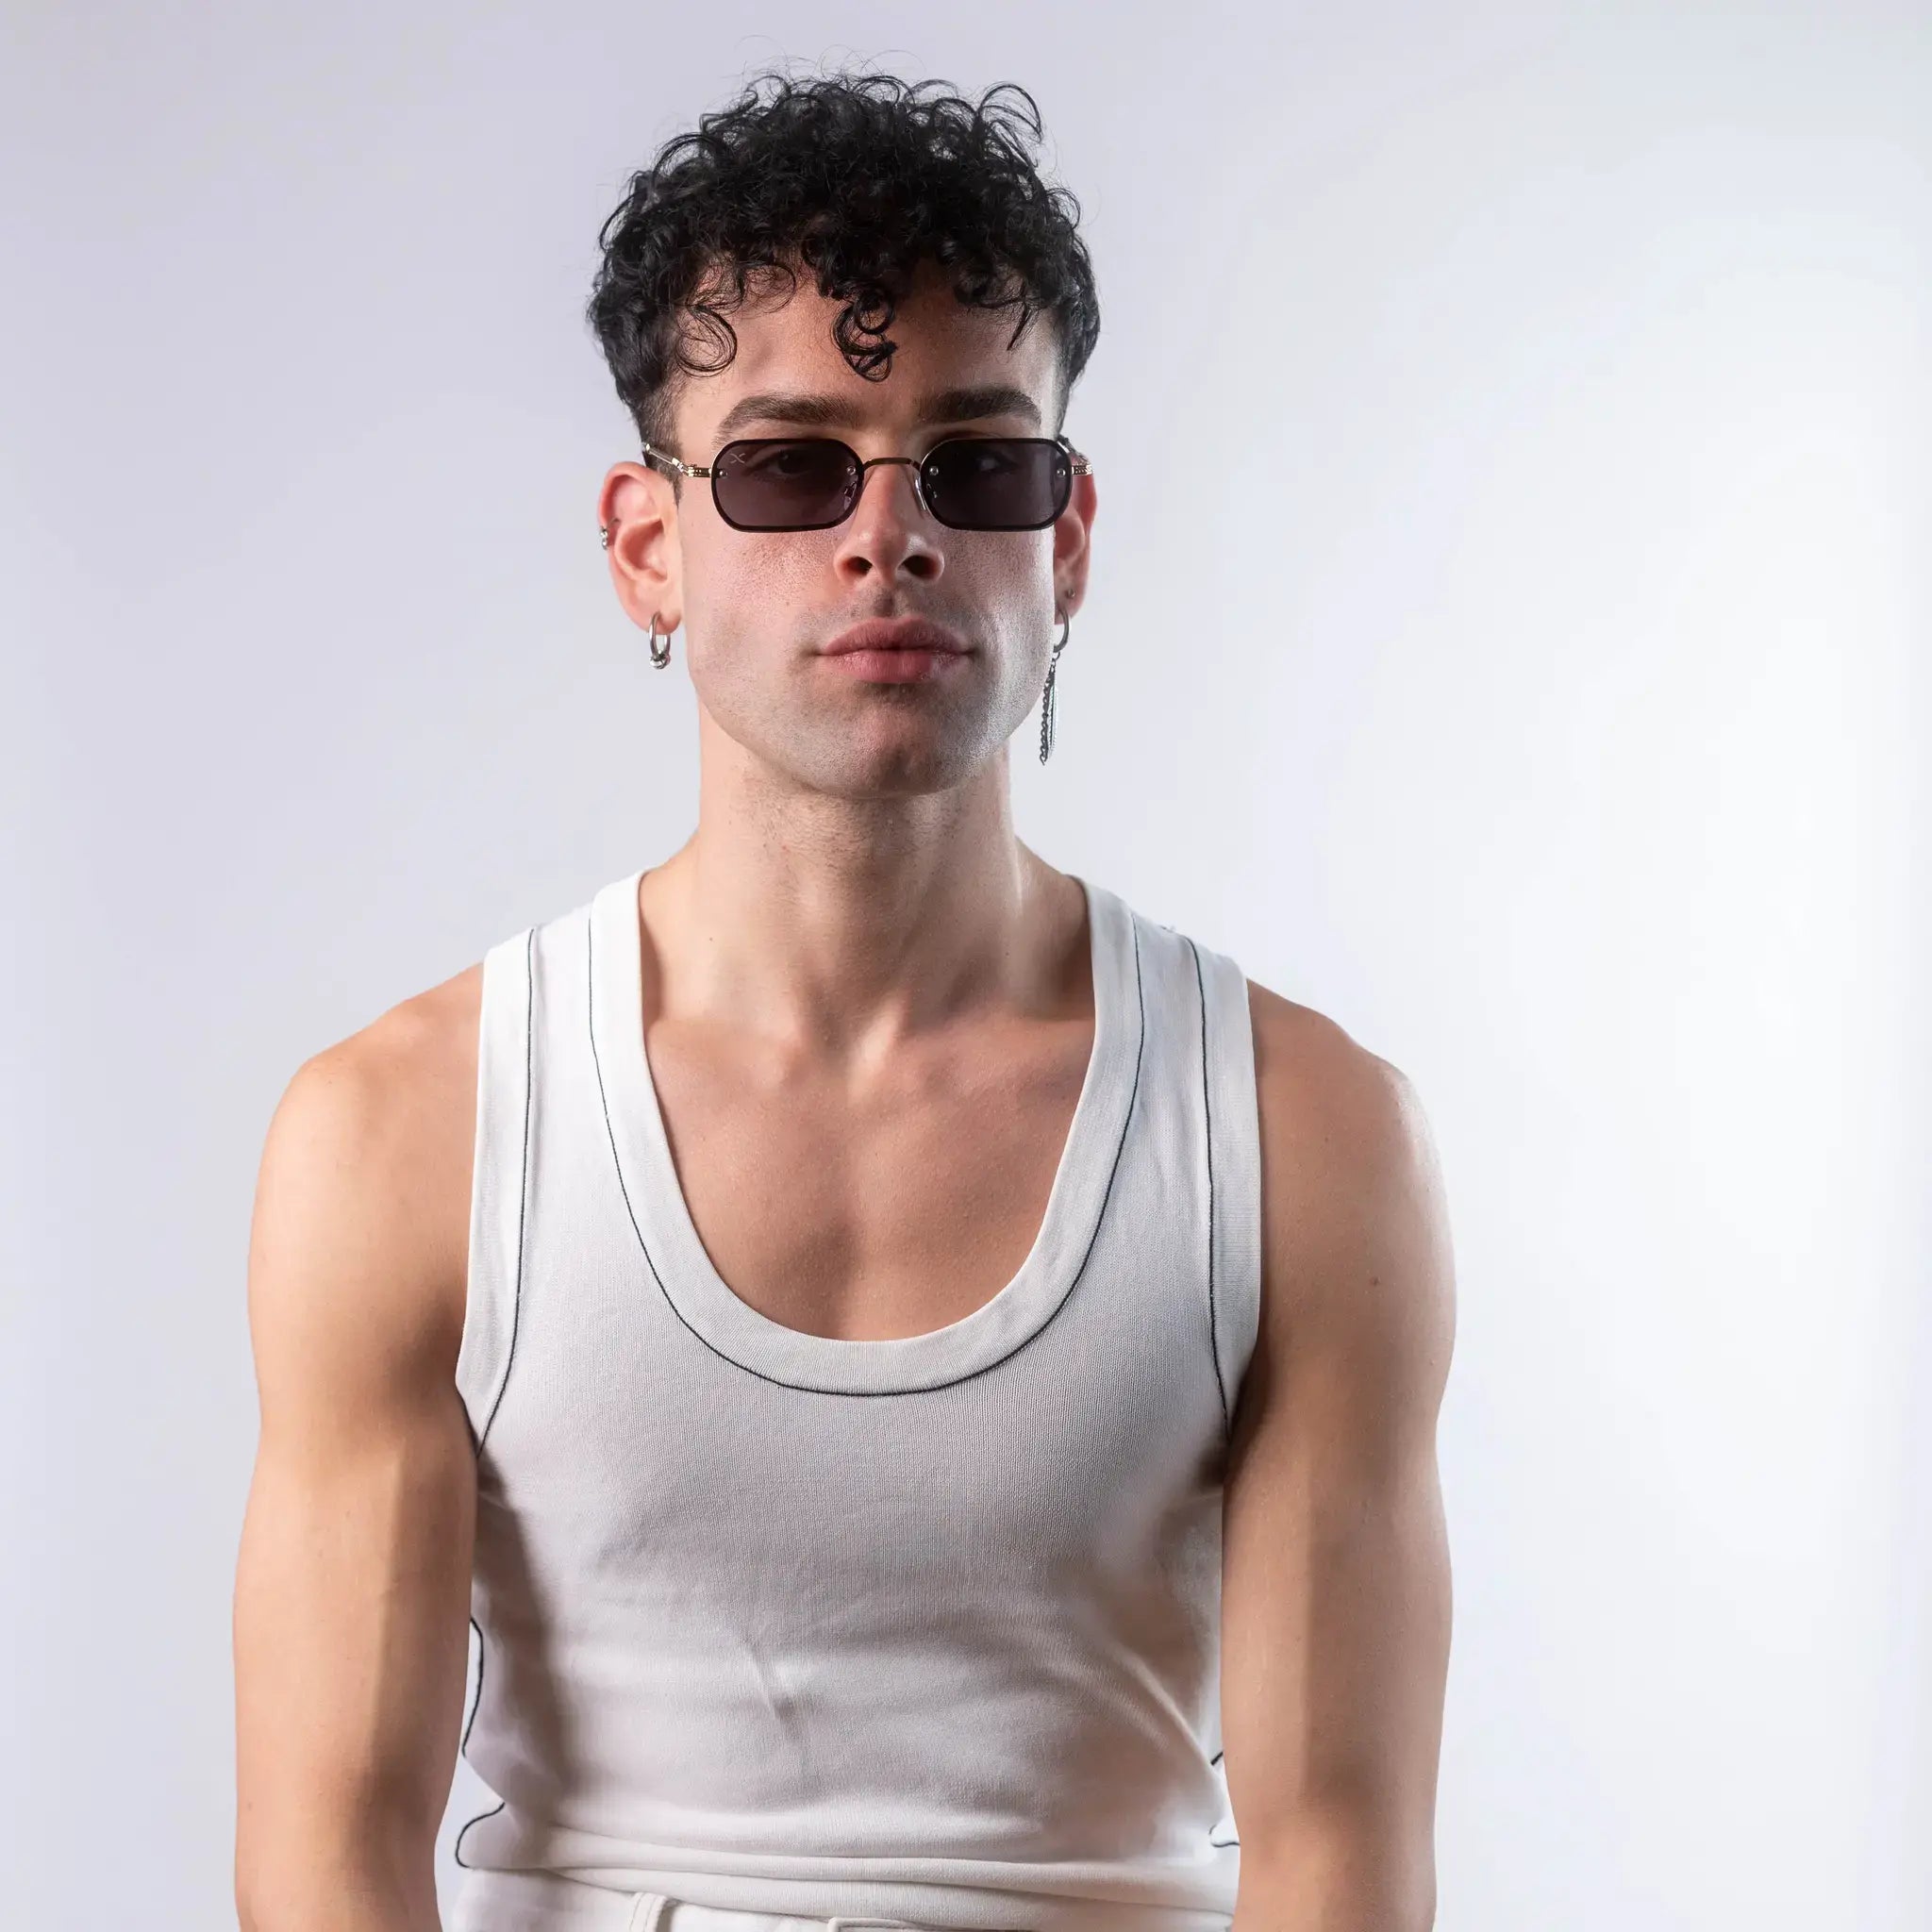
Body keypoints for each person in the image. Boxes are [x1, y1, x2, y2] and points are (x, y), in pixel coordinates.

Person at [232, 67, 1456, 1932]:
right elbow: (328, 1854)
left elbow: (1338, 1860)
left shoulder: (1300, 1136)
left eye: (975, 463)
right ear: (649, 542)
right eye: (791, 466)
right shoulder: (404, 1131)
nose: (890, 534)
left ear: (1065, 537)